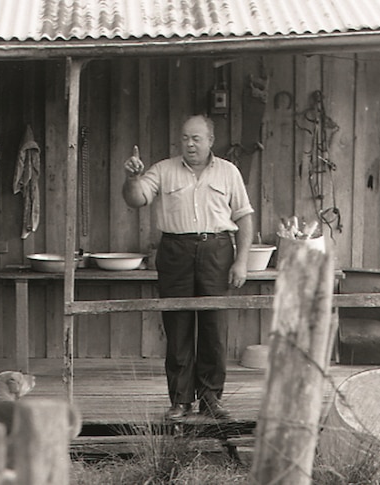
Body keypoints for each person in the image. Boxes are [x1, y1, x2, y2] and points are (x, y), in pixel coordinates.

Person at [122, 114, 254, 420]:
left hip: (216, 251)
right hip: (175, 251)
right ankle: (180, 400)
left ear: (210, 140)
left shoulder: (228, 172)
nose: (190, 144)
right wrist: (131, 178)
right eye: (185, 138)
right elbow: (136, 199)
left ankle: (211, 398)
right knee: (178, 326)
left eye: (196, 138)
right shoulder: (163, 170)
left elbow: (244, 216)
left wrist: (242, 260)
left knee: (213, 327)